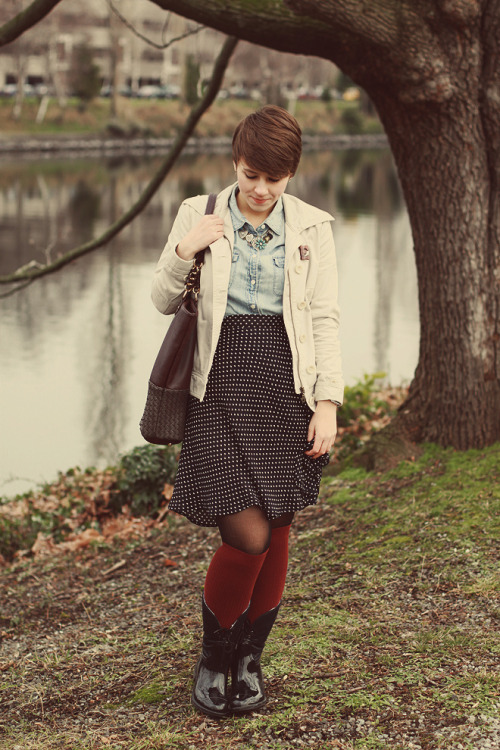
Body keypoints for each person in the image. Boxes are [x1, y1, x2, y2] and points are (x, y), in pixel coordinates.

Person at [151, 105, 344, 719]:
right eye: (251, 173)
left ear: (292, 174)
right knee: (247, 532)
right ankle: (215, 654)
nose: (260, 189)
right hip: (219, 385)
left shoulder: (313, 227)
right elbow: (160, 297)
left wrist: (328, 403)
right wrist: (187, 248)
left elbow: (324, 319)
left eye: (275, 178)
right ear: (236, 161)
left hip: (286, 385)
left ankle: (250, 658)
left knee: (279, 523)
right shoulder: (197, 212)